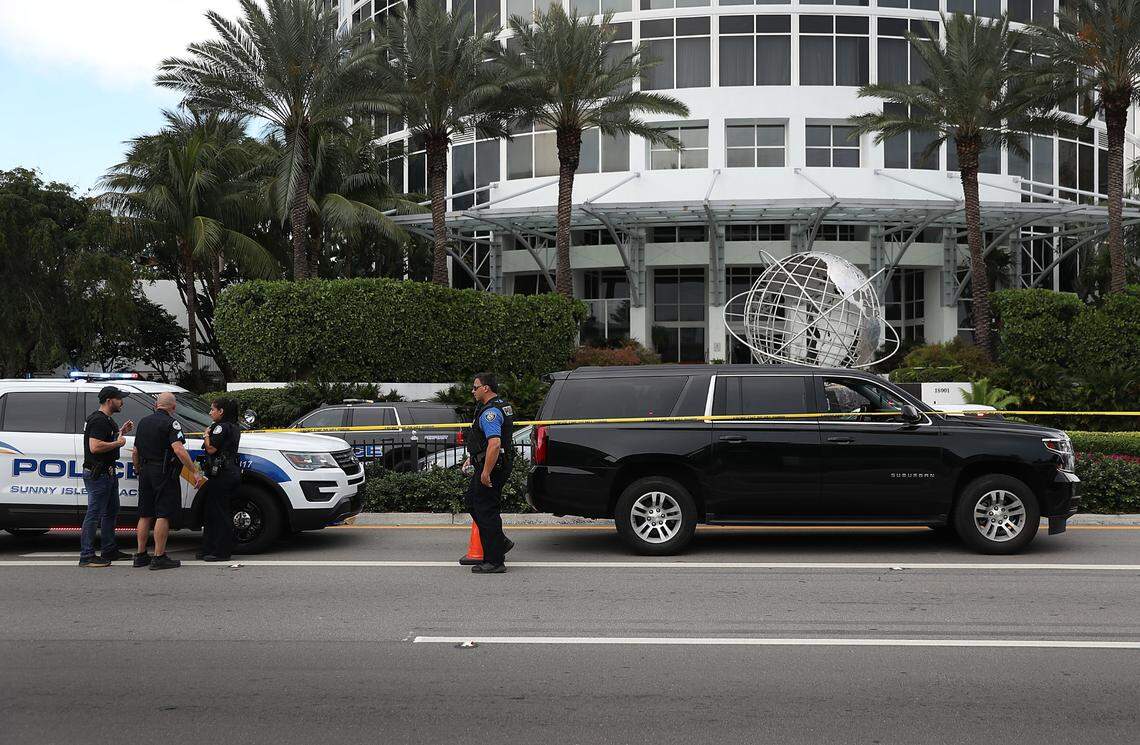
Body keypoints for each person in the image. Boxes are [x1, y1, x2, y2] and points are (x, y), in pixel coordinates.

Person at [131, 392, 205, 570]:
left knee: (145, 514)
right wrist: (195, 471)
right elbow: (179, 450)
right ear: (173, 407)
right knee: (163, 514)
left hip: (145, 471)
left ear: (156, 405)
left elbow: (135, 451)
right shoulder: (171, 423)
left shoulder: (143, 422)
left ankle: (140, 555)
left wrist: (138, 468)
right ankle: (159, 556)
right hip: (163, 472)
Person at [462, 373, 516, 574]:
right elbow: (485, 442)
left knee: (486, 509)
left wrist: (486, 472)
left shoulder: (490, 412)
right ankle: (499, 542)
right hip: (488, 462)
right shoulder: (500, 405)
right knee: (471, 502)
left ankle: (494, 561)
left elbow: (494, 444)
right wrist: (473, 457)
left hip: (492, 466)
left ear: (486, 388)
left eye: (475, 387)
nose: (472, 391)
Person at [78, 386, 135, 568]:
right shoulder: (98, 420)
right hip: (99, 474)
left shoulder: (107, 420)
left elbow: (106, 439)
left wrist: (121, 432)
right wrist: (118, 442)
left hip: (108, 473)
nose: (122, 402)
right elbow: (95, 447)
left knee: (111, 512)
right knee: (94, 514)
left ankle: (109, 549)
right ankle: (86, 555)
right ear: (110, 400)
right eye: (119, 399)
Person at [197, 397, 241, 562]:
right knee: (211, 512)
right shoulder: (234, 426)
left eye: (213, 409)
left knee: (219, 513)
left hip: (222, 474)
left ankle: (221, 551)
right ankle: (208, 547)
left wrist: (206, 435)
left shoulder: (220, 428)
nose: (210, 412)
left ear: (221, 411)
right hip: (226, 473)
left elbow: (211, 449)